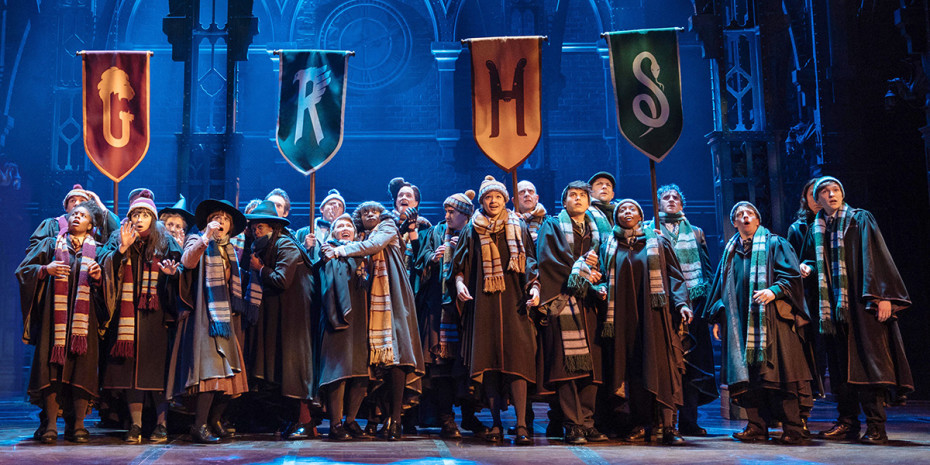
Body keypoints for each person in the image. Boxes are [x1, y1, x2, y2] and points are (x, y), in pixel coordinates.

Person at [805, 177, 913, 445]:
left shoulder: (859, 219)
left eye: (836, 190)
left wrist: (883, 295)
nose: (832, 195)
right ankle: (847, 423)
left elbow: (876, 255)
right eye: (825, 192)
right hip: (832, 311)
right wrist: (807, 265)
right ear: (817, 200)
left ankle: (877, 427)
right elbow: (813, 257)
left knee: (868, 365)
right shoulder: (817, 228)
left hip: (860, 304)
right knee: (841, 369)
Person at [705, 201, 812, 445]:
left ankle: (793, 428)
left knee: (780, 375)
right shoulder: (730, 252)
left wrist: (774, 291)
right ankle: (756, 426)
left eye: (750, 213)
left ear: (758, 219)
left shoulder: (775, 244)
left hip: (774, 320)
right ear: (734, 223)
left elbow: (793, 276)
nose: (745, 217)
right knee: (749, 378)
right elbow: (720, 288)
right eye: (739, 215)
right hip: (740, 325)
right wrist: (717, 318)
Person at [322, 201, 425, 441]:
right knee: (379, 363)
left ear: (382, 215)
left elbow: (373, 246)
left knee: (397, 354)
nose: (370, 214)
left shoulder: (387, 228)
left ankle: (396, 420)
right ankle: (381, 417)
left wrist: (339, 250)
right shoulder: (361, 238)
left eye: (374, 211)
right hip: (372, 300)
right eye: (365, 212)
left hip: (394, 295)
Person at [452, 175, 539, 445]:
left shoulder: (518, 226)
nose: (493, 201)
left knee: (518, 364)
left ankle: (522, 425)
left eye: (498, 197)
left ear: (505, 200)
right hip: (484, 304)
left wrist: (535, 288)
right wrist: (458, 282)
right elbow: (460, 262)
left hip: (515, 303)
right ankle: (497, 425)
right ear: (482, 201)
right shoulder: (472, 229)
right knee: (488, 364)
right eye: (488, 197)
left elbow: (532, 261)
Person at [599, 199, 691, 445]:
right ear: (616, 217)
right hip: (623, 319)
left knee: (661, 366)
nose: (627, 212)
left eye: (632, 209)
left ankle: (667, 425)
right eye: (622, 210)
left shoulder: (658, 242)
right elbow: (600, 275)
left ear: (641, 215)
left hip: (655, 315)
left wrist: (681, 304)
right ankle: (640, 423)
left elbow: (675, 275)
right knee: (632, 369)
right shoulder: (609, 245)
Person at [16, 201, 106, 444]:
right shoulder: (49, 245)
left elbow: (110, 290)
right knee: (52, 369)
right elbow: (24, 271)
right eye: (73, 213)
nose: (76, 216)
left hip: (83, 325)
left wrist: (99, 278)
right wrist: (47, 269)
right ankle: (51, 425)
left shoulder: (99, 250)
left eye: (83, 215)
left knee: (81, 369)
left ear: (91, 224)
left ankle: (78, 425)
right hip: (52, 321)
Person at [99, 189, 182, 443]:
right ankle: (135, 425)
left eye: (145, 213)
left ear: (153, 218)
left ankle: (161, 423)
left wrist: (172, 276)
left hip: (157, 317)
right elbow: (104, 265)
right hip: (127, 316)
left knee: (158, 373)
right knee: (130, 371)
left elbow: (184, 273)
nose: (139, 218)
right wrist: (121, 250)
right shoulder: (118, 236)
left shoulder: (166, 241)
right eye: (135, 213)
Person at [167, 199, 250, 444]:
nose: (221, 221)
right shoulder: (197, 240)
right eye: (216, 217)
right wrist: (206, 236)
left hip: (225, 318)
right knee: (210, 373)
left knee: (232, 377)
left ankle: (214, 420)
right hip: (204, 317)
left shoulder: (231, 250)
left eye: (225, 219)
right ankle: (199, 425)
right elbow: (188, 262)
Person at [534, 181, 608, 445]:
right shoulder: (552, 226)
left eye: (582, 196)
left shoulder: (598, 229)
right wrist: (584, 272)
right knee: (567, 368)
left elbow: (608, 261)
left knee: (592, 369)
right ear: (564, 201)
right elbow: (547, 261)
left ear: (589, 202)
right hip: (564, 301)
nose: (577, 199)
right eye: (572, 195)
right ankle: (571, 424)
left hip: (590, 305)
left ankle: (587, 422)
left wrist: (599, 281)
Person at [646, 184, 718, 436]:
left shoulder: (696, 232)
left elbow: (708, 271)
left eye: (676, 197)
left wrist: (710, 308)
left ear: (682, 204)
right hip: (663, 304)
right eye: (665, 197)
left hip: (694, 303)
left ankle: (689, 421)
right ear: (658, 203)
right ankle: (662, 421)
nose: (671, 200)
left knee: (692, 364)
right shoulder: (648, 230)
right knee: (666, 363)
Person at [245, 200, 319, 440]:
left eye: (262, 227)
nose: (257, 231)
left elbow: (281, 279)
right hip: (284, 317)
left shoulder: (285, 244)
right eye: (255, 227)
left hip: (295, 318)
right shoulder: (266, 247)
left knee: (295, 367)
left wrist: (260, 268)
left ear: (273, 227)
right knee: (284, 368)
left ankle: (306, 423)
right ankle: (293, 419)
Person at [412, 190, 475, 439]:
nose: (447, 216)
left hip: (467, 309)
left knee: (468, 364)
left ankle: (470, 417)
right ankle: (447, 419)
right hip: (439, 308)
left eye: (453, 212)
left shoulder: (474, 233)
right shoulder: (434, 233)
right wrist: (433, 257)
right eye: (446, 211)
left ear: (465, 215)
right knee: (440, 366)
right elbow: (420, 262)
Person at [318, 214, 374, 441]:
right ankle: (335, 424)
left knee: (361, 371)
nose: (344, 228)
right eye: (339, 226)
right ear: (332, 233)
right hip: (336, 318)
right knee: (338, 372)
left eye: (348, 225)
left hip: (362, 317)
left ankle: (351, 421)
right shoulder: (328, 250)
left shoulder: (362, 253)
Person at [785, 177, 826, 436]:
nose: (818, 198)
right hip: (808, 297)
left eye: (821, 193)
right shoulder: (798, 227)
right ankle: (803, 412)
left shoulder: (837, 223)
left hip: (831, 296)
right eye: (813, 194)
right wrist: (803, 264)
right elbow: (792, 260)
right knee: (808, 353)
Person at [28, 184, 119, 254]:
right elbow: (34, 252)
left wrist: (99, 203)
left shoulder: (95, 231)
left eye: (82, 201)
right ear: (66, 208)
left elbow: (116, 233)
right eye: (72, 201)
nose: (77, 204)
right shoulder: (52, 225)